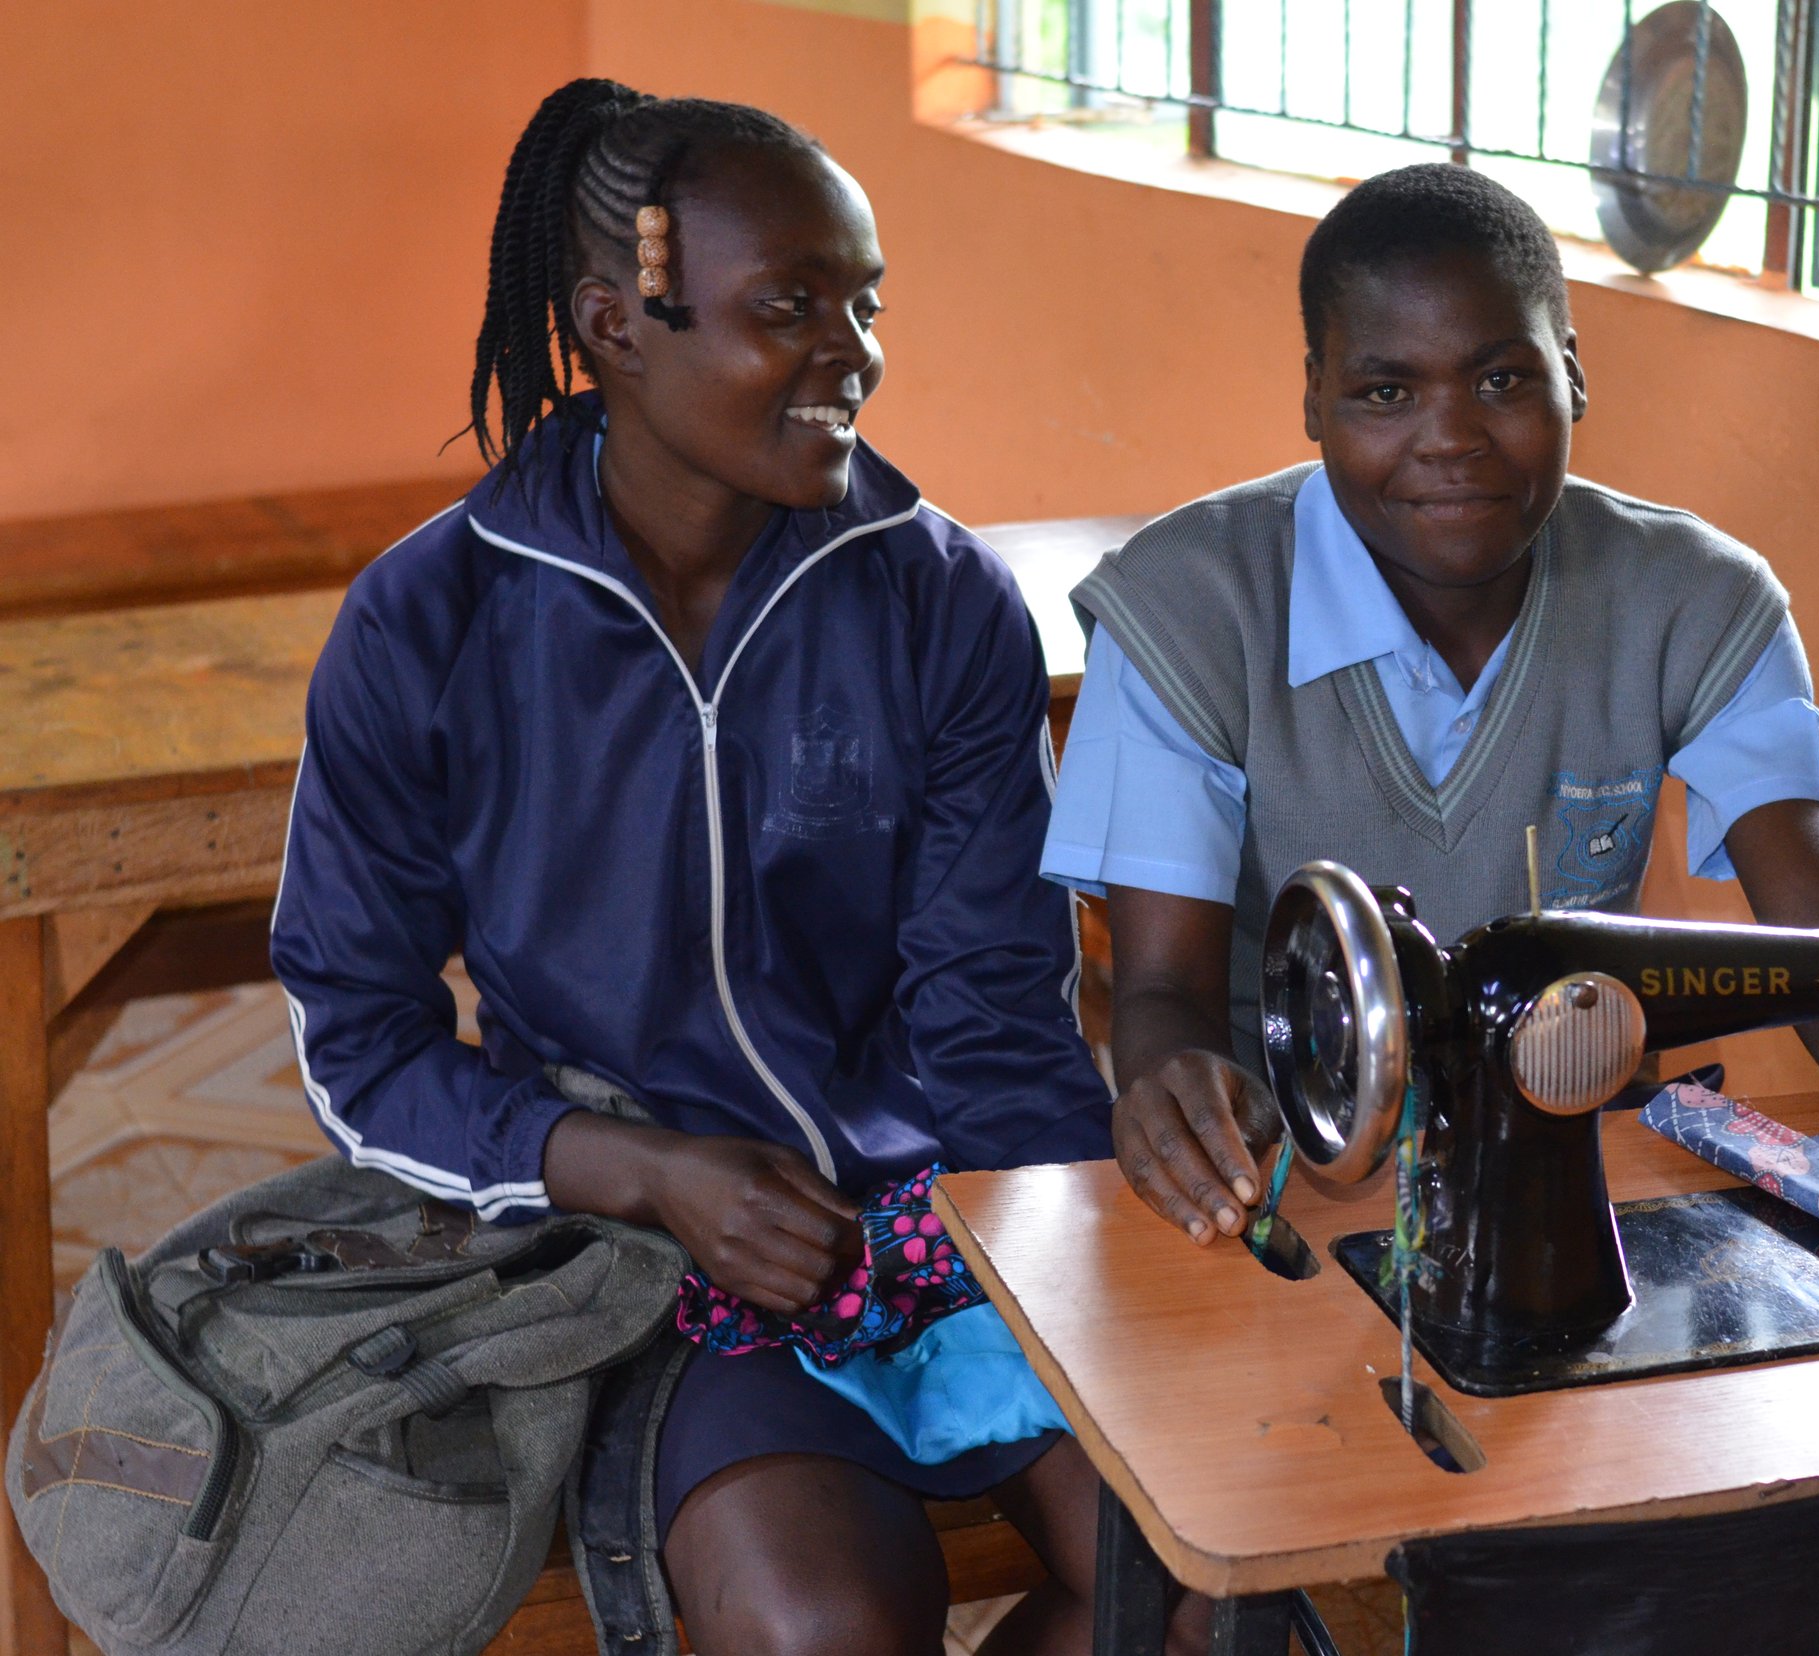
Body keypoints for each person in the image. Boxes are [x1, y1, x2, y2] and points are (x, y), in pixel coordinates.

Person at [271, 78, 1174, 1656]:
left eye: (866, 304)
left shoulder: (938, 601)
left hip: (940, 1224)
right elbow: (361, 1041)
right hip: (638, 1262)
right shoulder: (433, 623)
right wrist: (639, 1169)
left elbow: (999, 1020)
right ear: (616, 324)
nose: (854, 353)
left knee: (1195, 1581)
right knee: (823, 1624)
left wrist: (1083, 1290)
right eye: (789, 308)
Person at [1043, 163, 1819, 1295]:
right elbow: (1162, 998)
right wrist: (1177, 1094)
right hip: (1287, 1194)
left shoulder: (1695, 601)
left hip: (1575, 1169)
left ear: (1573, 373)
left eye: (1500, 379)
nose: (1452, 439)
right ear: (1313, 398)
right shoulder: (1190, 609)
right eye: (1386, 393)